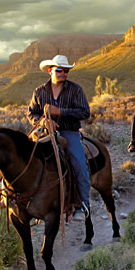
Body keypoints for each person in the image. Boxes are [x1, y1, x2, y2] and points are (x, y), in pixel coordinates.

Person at [26, 54, 91, 221]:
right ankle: (14, 198)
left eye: (67, 71)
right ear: (50, 71)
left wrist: (60, 112)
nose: (64, 73)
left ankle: (82, 204)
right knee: (22, 156)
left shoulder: (75, 90)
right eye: (60, 70)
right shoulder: (39, 91)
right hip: (44, 132)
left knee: (79, 163)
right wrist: (44, 122)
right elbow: (31, 113)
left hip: (69, 132)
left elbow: (85, 112)